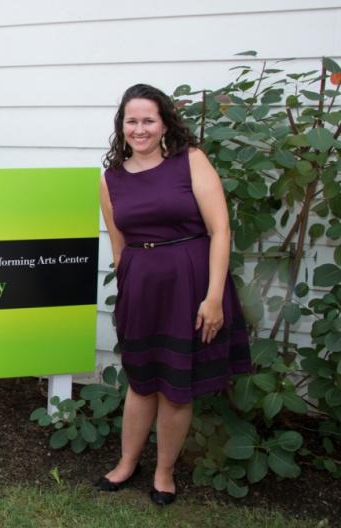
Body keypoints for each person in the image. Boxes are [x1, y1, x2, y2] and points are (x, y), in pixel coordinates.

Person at [96, 84, 251, 505]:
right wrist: (127, 289)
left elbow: (219, 230)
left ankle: (164, 472)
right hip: (142, 289)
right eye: (132, 121)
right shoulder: (110, 179)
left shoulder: (191, 161)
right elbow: (118, 245)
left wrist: (213, 296)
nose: (140, 129)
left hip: (190, 284)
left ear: (164, 123)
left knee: (176, 385)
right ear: (121, 125)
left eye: (148, 120)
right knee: (141, 382)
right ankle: (127, 463)